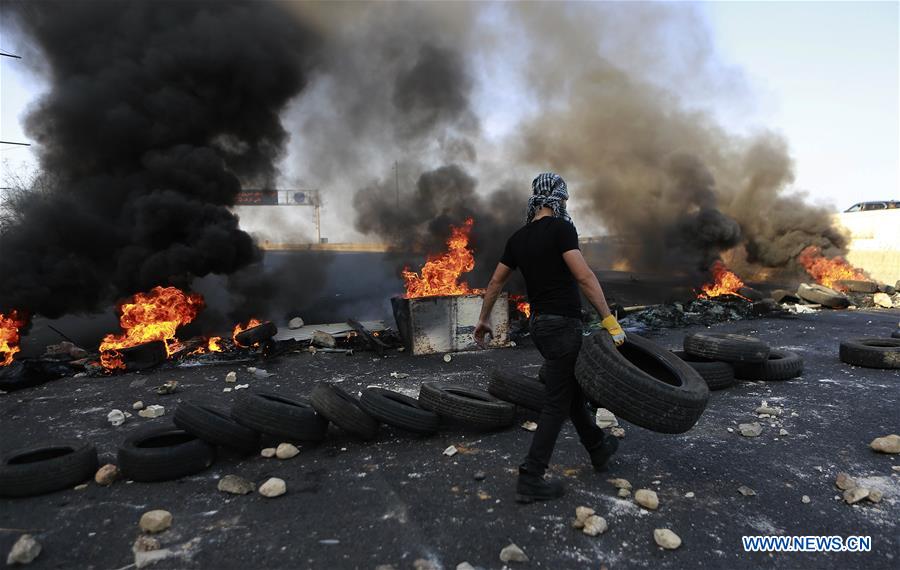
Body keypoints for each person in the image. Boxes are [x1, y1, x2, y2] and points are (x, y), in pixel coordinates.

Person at [474, 172, 626, 504]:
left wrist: (484, 318)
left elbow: (496, 282)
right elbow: (583, 276)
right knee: (557, 401)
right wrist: (608, 319)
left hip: (540, 326)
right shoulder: (562, 229)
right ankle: (531, 475)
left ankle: (598, 448)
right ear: (558, 199)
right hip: (562, 326)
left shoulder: (518, 238)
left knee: (567, 391)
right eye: (566, 200)